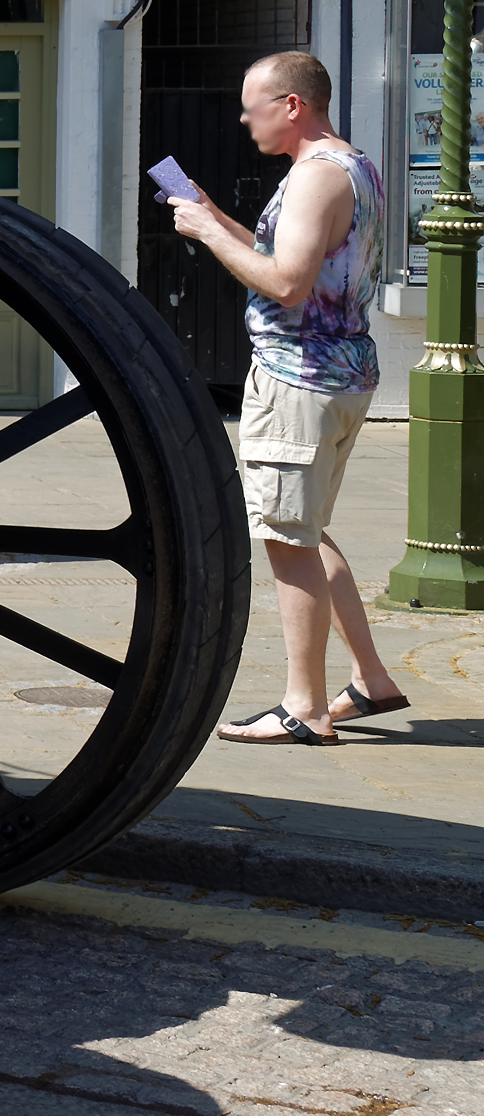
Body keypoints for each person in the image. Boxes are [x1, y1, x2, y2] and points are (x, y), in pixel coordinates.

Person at [169, 50, 411, 746]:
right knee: (306, 528)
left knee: (285, 538)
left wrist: (210, 233)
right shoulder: (353, 167)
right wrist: (216, 218)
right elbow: (287, 263)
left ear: (293, 105)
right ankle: (371, 681)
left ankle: (304, 708)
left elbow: (287, 285)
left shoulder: (312, 180)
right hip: (339, 373)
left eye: (254, 106)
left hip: (298, 378)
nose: (245, 119)